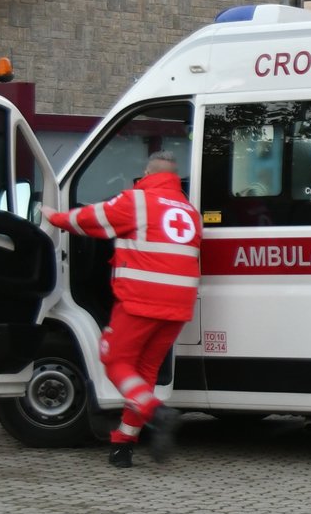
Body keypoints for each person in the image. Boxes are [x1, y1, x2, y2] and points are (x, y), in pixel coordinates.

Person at [46, 150, 202, 468]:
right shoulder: (189, 211)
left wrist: (53, 218)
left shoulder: (137, 201)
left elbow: (91, 219)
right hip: (179, 304)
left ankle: (157, 413)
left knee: (115, 360)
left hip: (141, 299)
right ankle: (123, 444)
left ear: (147, 174)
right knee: (144, 373)